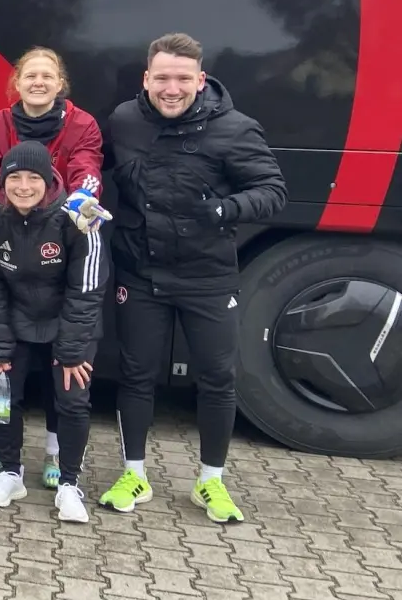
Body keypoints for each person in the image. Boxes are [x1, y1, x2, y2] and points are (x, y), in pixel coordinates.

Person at [99, 33, 285, 524]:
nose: (172, 88)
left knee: (218, 379)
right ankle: (133, 473)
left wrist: (227, 208)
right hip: (139, 272)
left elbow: (272, 191)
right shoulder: (123, 120)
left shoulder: (236, 129)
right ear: (147, 79)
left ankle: (210, 482)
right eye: (162, 78)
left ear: (201, 80)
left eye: (183, 78)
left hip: (207, 277)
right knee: (136, 375)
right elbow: (92, 169)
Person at [0, 47, 107, 485]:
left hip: (58, 231)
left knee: (63, 378)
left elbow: (86, 167)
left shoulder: (82, 125)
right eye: (30, 75)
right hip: (7, 236)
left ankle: (56, 457)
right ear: (16, 82)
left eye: (47, 76)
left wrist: (79, 203)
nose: (38, 82)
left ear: (60, 84)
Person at [0, 141, 108, 523]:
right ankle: (11, 472)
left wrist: (71, 350)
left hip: (69, 326)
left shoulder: (79, 219)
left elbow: (87, 288)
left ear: (50, 180)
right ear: (2, 182)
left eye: (34, 177)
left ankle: (69, 483)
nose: (24, 186)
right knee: (2, 398)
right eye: (14, 177)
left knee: (72, 400)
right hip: (14, 325)